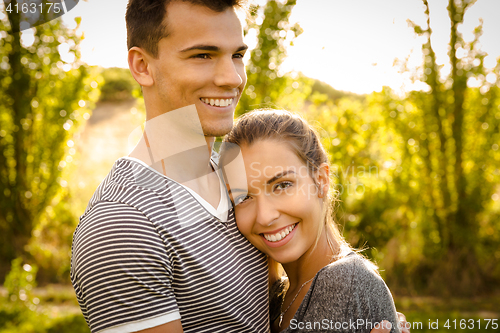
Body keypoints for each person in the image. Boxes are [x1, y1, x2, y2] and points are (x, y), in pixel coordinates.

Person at [70, 1, 406, 332]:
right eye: (203, 55)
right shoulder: (124, 223)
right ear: (142, 65)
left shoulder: (238, 180)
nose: (231, 78)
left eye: (237, 55)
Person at [223, 109, 403, 333]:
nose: (264, 216)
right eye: (244, 198)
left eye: (282, 185)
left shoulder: (342, 281)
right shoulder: (279, 294)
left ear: (321, 180)